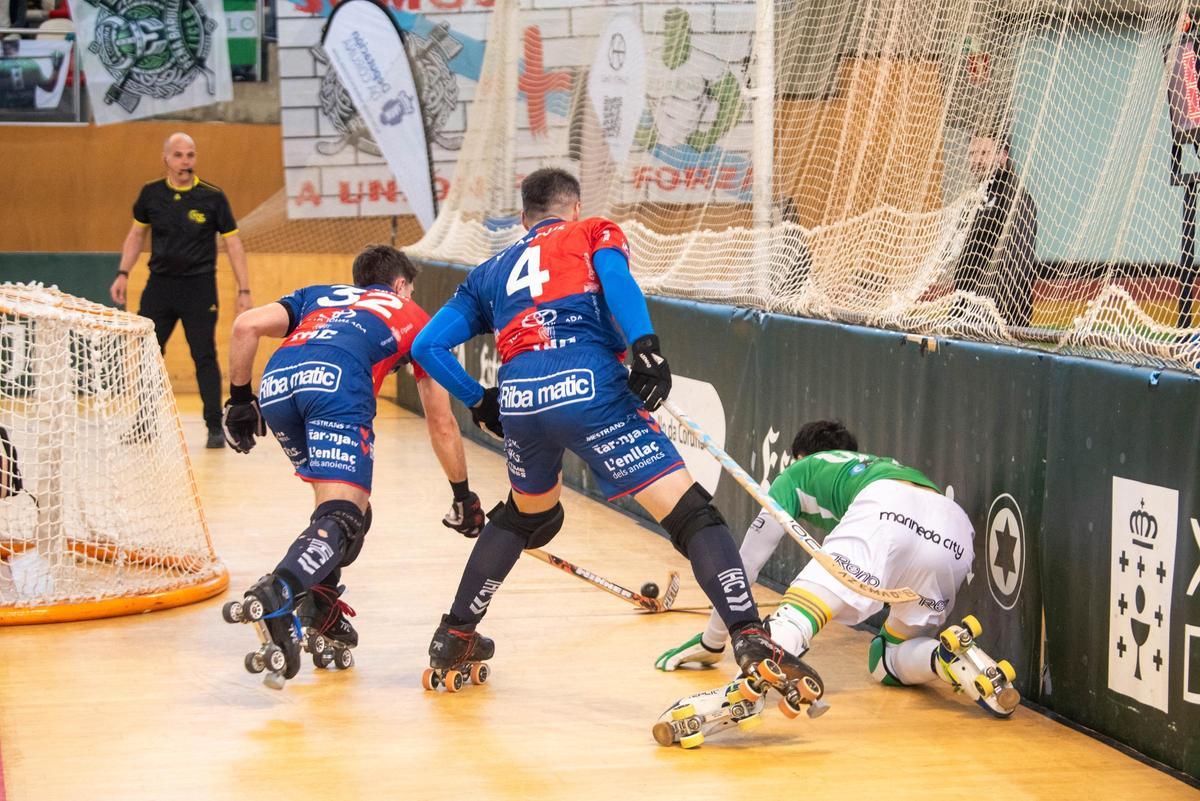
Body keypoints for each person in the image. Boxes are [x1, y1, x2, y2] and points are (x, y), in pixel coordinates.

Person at [408, 167, 822, 705]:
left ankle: (455, 634)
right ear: (572, 207)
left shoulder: (487, 271)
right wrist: (646, 344)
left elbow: (426, 347)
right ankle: (748, 634)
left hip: (520, 394)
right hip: (587, 382)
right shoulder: (592, 230)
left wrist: (480, 399)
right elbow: (617, 279)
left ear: (524, 217)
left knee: (524, 515)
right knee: (692, 514)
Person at [220, 244, 486, 687]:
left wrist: (239, 401)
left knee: (344, 512)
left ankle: (320, 607)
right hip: (337, 384)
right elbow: (441, 422)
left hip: (278, 383)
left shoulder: (318, 295)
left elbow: (246, 326)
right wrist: (463, 495)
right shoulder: (412, 314)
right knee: (343, 515)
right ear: (401, 285)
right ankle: (282, 589)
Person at [654, 421, 1019, 738]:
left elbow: (745, 561)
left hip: (886, 510)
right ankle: (947, 658)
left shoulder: (798, 472)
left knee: (795, 619)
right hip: (953, 530)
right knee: (885, 659)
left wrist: (715, 640)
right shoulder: (875, 467)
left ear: (798, 456)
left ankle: (740, 695)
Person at [110, 132, 251, 449]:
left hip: (199, 288)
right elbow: (135, 236)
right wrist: (122, 273)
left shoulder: (212, 197)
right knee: (149, 356)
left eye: (190, 155)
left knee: (204, 356)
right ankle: (145, 424)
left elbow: (234, 244)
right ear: (166, 159)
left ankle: (214, 426)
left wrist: (244, 289)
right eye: (179, 155)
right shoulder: (151, 195)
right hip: (159, 286)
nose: (185, 161)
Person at [953, 134, 1039, 328]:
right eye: (973, 153)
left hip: (1000, 319)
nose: (977, 160)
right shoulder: (976, 197)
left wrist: (994, 316)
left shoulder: (1016, 198)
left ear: (1002, 156)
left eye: (984, 153)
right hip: (969, 314)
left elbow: (1016, 263)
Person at [0, 35, 65, 109]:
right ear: (19, 46)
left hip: (5, 114)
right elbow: (49, 88)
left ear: (3, 47)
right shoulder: (31, 65)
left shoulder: (2, 66)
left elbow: (49, 88)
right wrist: (56, 68)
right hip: (28, 113)